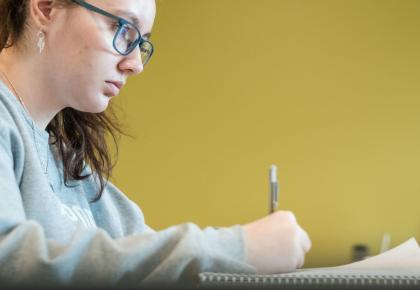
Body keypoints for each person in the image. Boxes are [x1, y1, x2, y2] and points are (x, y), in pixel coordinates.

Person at [0, 0, 312, 287]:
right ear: (45, 7)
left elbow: (149, 265)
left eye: (140, 42)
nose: (135, 64)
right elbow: (10, 263)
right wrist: (239, 249)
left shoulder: (73, 168)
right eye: (123, 29)